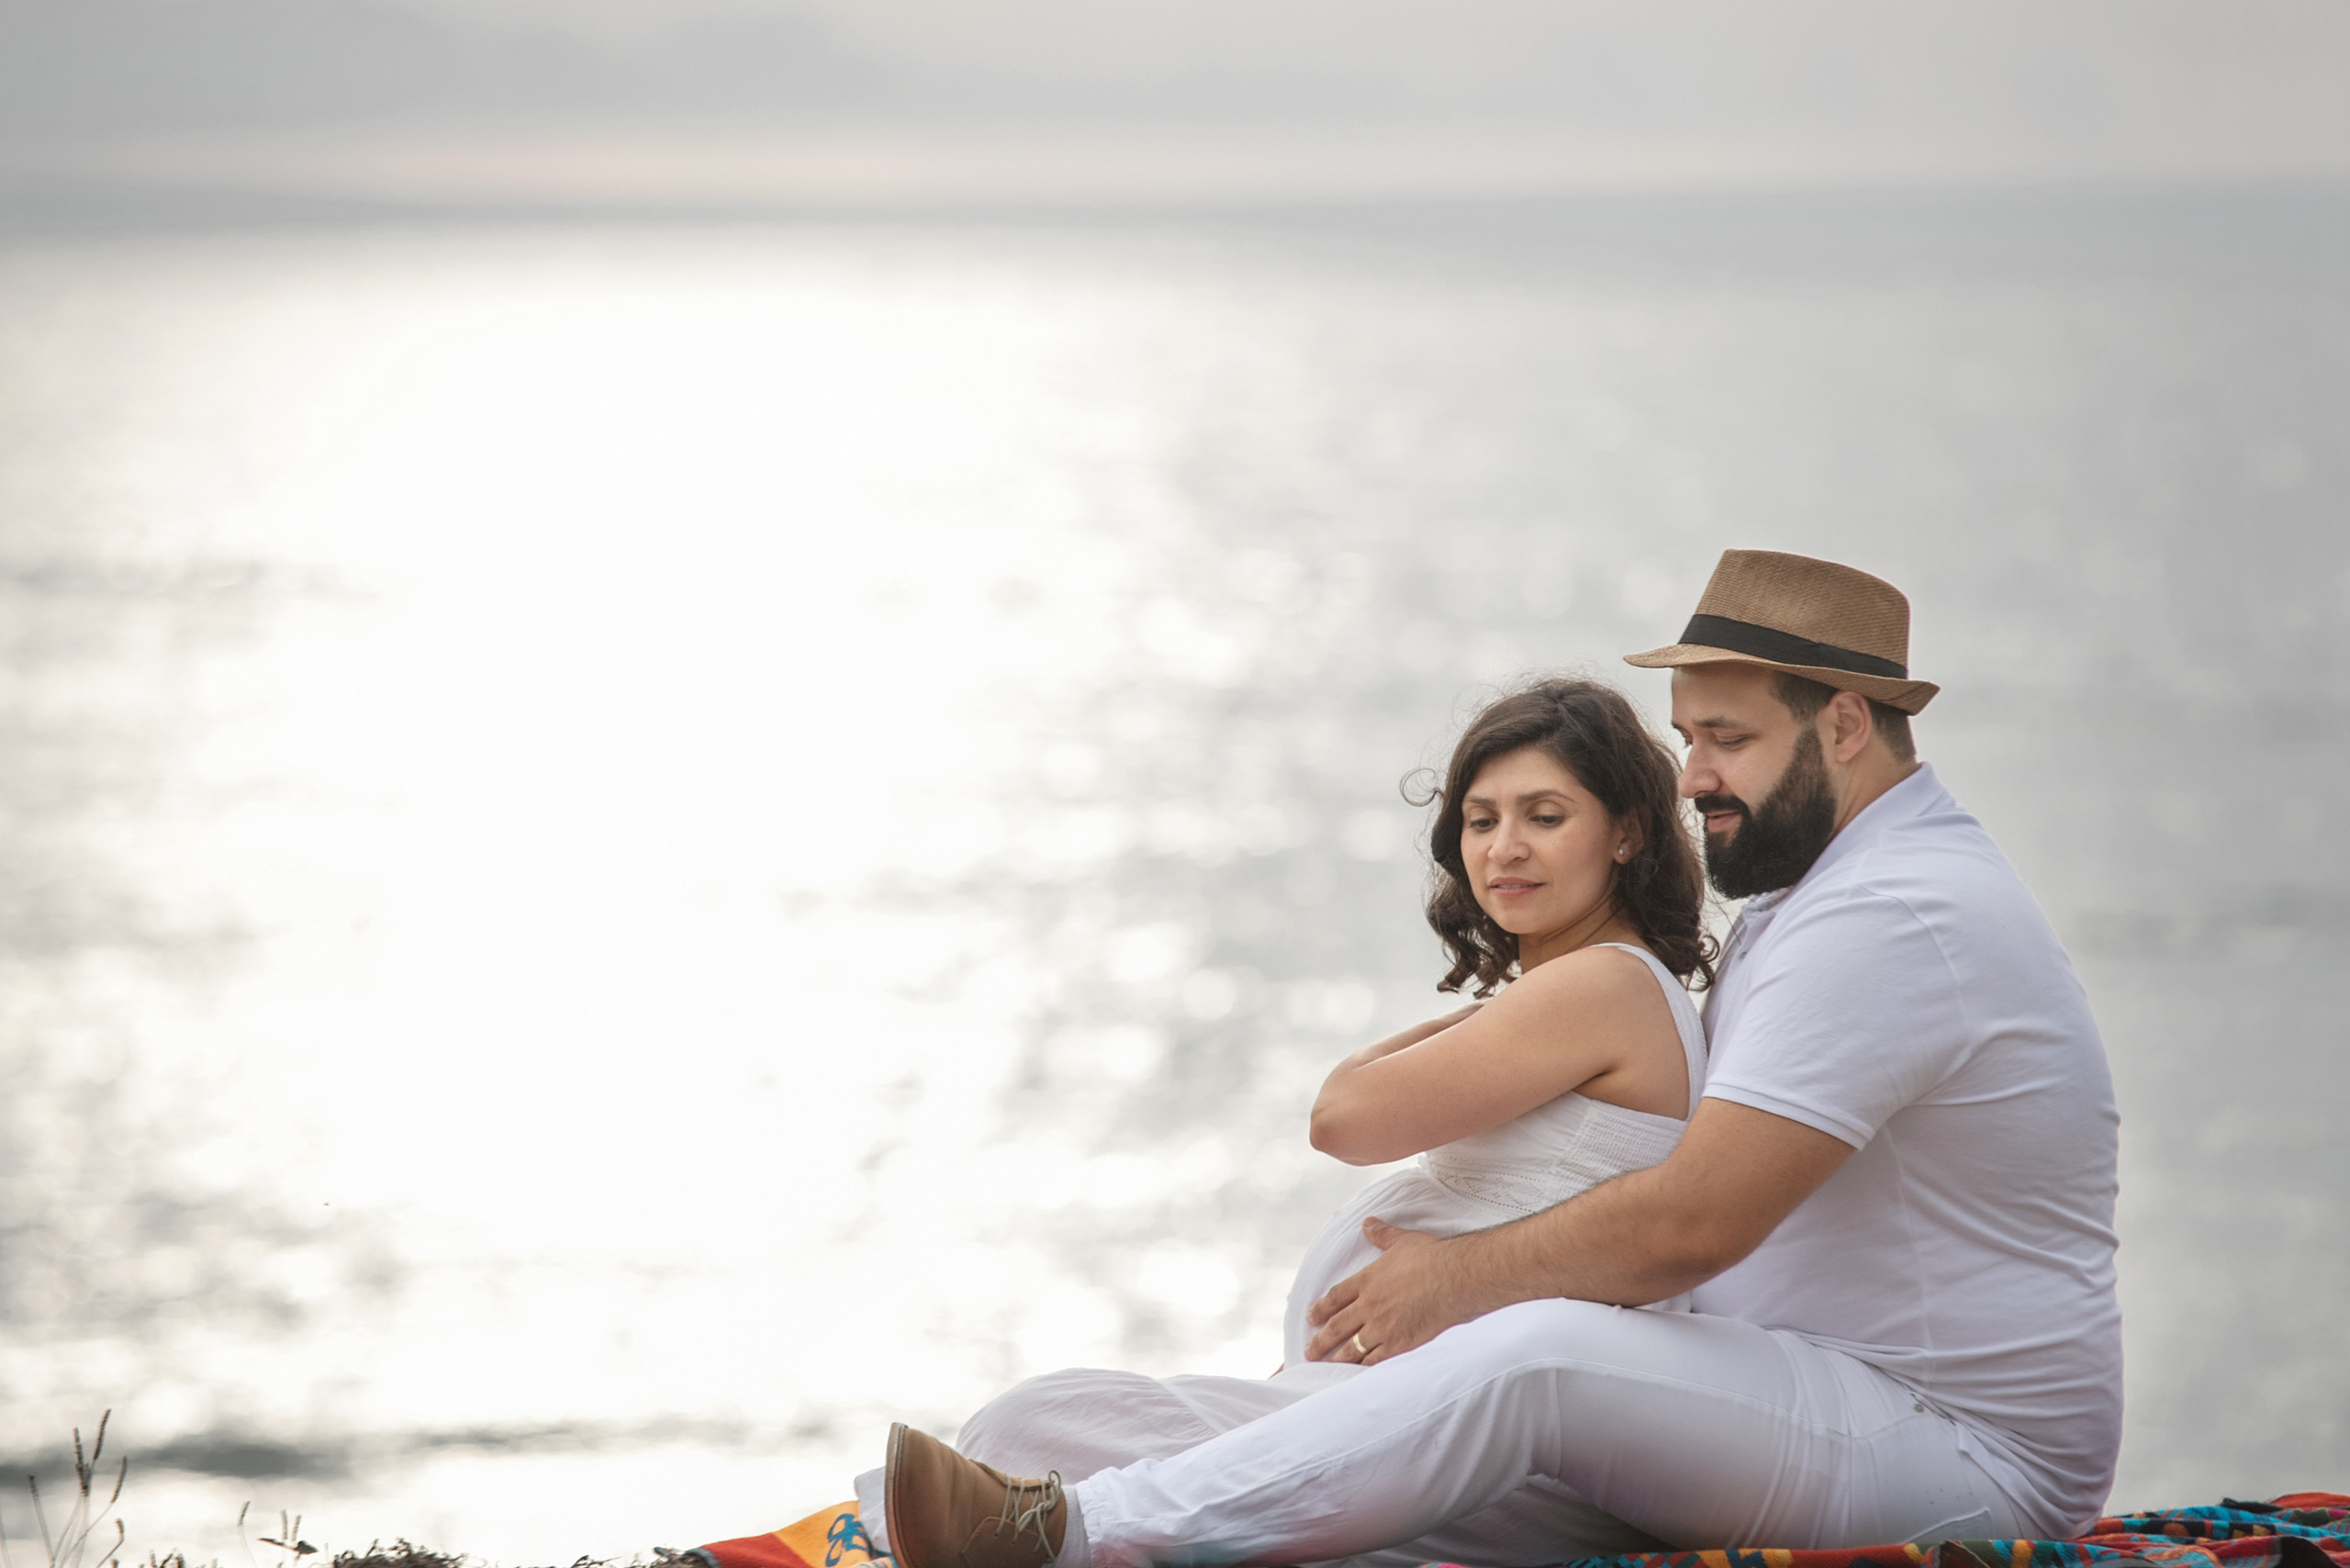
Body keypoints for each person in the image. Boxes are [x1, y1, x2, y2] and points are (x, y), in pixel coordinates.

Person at [875, 550, 2121, 1568]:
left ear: (1844, 724)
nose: (1693, 777)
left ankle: (1080, 1537)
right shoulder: (1814, 896)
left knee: (1535, 1354)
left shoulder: (1896, 914)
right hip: (1757, 1406)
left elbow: (1694, 1222)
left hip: (1953, 1448)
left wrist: (1456, 1282)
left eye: (1727, 739)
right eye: (1687, 738)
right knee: (1046, 1423)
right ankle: (1048, 1502)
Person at [928, 678, 1718, 1500]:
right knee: (1035, 1433)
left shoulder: (1602, 982)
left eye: (1544, 818)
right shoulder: (1587, 989)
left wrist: (1459, 1023)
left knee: (1030, 1425)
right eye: (1482, 820)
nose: (1503, 848)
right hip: (1418, 1406)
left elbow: (1344, 1118)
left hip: (1484, 1436)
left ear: (1626, 833)